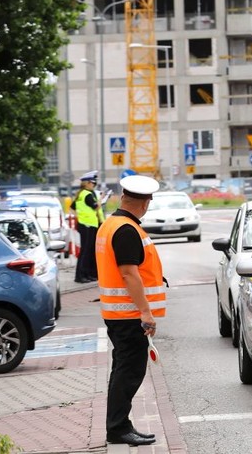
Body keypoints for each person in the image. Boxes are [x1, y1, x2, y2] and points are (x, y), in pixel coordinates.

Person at [95, 174, 165, 447]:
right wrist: (145, 313)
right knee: (129, 371)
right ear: (146, 203)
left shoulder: (110, 225)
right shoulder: (126, 230)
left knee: (123, 370)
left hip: (118, 314)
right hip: (129, 316)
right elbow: (129, 274)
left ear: (124, 196)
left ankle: (119, 425)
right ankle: (118, 428)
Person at [74, 171, 103, 283]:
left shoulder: (82, 193)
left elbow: (73, 208)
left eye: (94, 183)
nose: (93, 185)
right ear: (86, 183)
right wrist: (101, 199)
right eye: (92, 182)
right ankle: (81, 276)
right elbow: (96, 206)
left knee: (88, 251)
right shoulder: (87, 194)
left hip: (87, 224)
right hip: (87, 225)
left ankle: (87, 274)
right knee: (85, 252)